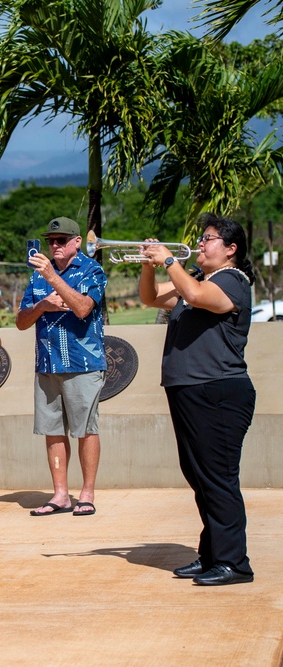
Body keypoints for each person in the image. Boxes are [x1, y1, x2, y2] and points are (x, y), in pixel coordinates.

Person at [139, 214, 256, 586]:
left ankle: (234, 563)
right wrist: (147, 266)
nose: (201, 244)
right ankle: (212, 555)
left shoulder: (233, 282)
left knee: (219, 478)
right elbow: (150, 298)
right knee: (200, 477)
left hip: (219, 389)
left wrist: (170, 261)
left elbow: (193, 296)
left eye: (208, 239)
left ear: (230, 249)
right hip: (189, 389)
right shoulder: (198, 279)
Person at [17, 216, 107, 517]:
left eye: (61, 240)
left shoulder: (92, 269)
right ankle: (60, 494)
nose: (54, 245)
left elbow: (83, 308)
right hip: (47, 363)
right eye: (51, 241)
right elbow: (20, 322)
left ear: (76, 242)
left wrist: (54, 279)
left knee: (85, 429)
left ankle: (87, 493)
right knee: (52, 431)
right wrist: (42, 305)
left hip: (83, 364)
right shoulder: (37, 275)